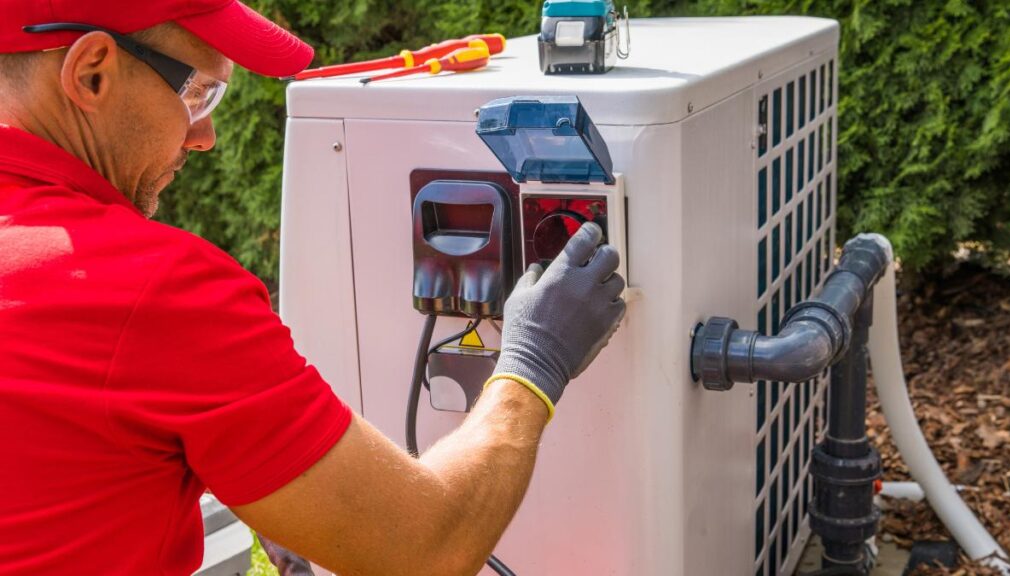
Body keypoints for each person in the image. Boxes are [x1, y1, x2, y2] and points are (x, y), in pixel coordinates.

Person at [0, 1, 627, 574]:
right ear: (91, 75)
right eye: (198, 92)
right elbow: (426, 551)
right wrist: (532, 363)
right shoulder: (151, 289)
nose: (205, 136)